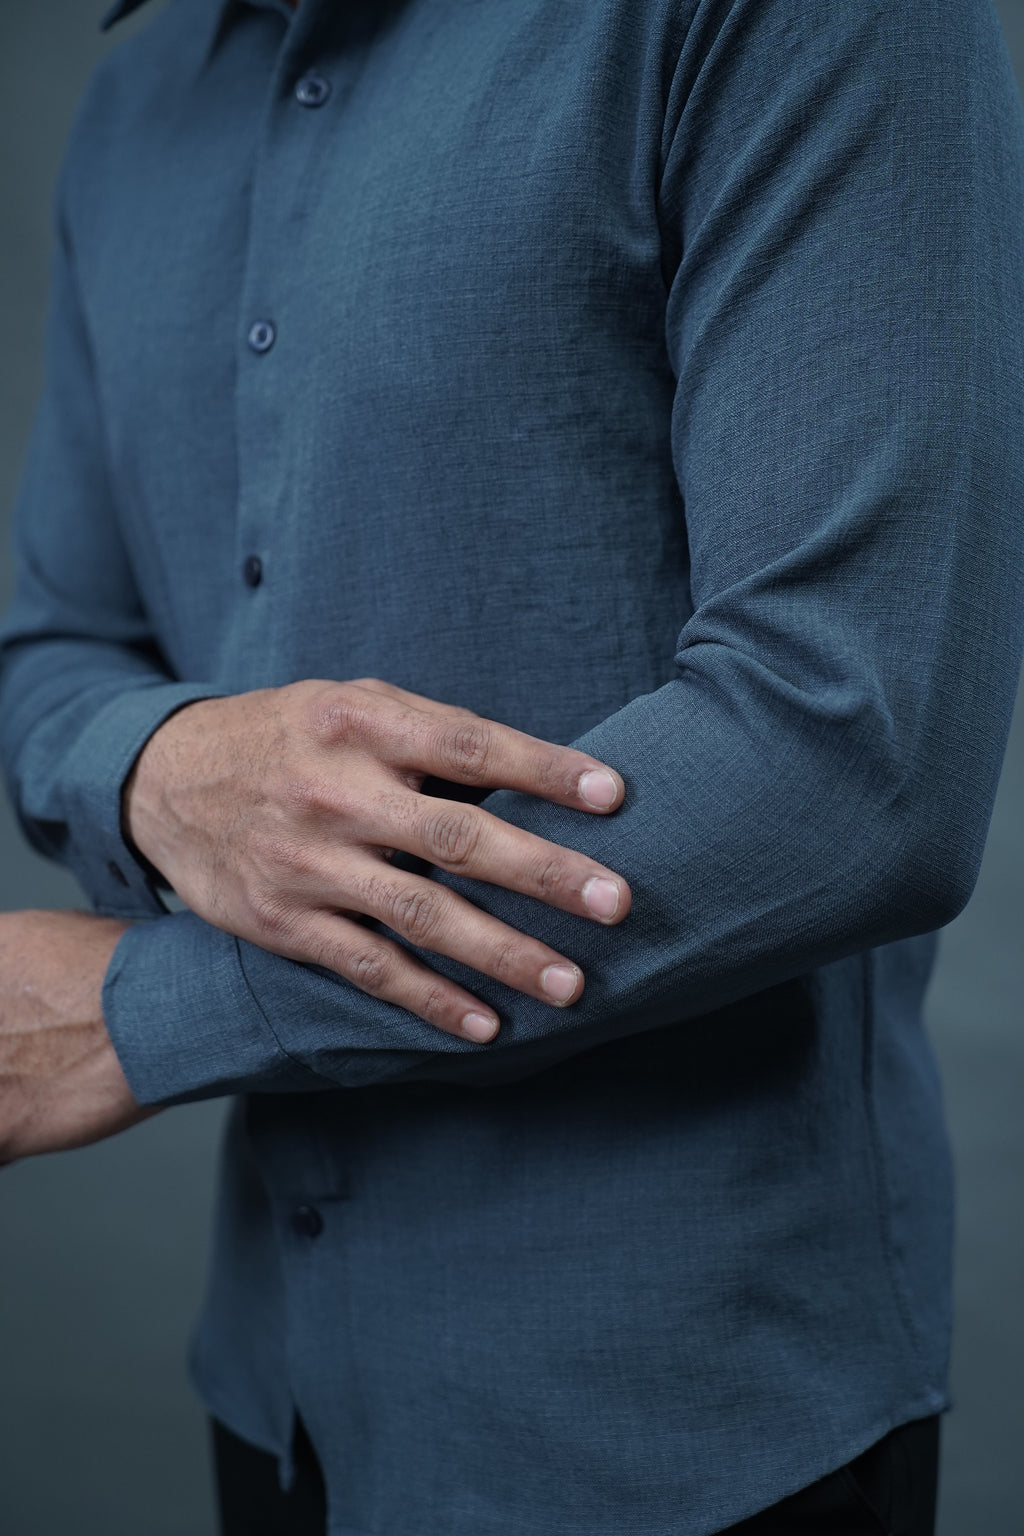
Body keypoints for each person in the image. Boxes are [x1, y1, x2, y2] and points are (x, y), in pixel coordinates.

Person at [1, 0, 1022, 1530]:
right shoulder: (140, 95)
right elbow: (49, 648)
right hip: (280, 1401)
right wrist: (163, 762)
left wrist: (140, 1015)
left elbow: (852, 757)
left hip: (684, 1437)